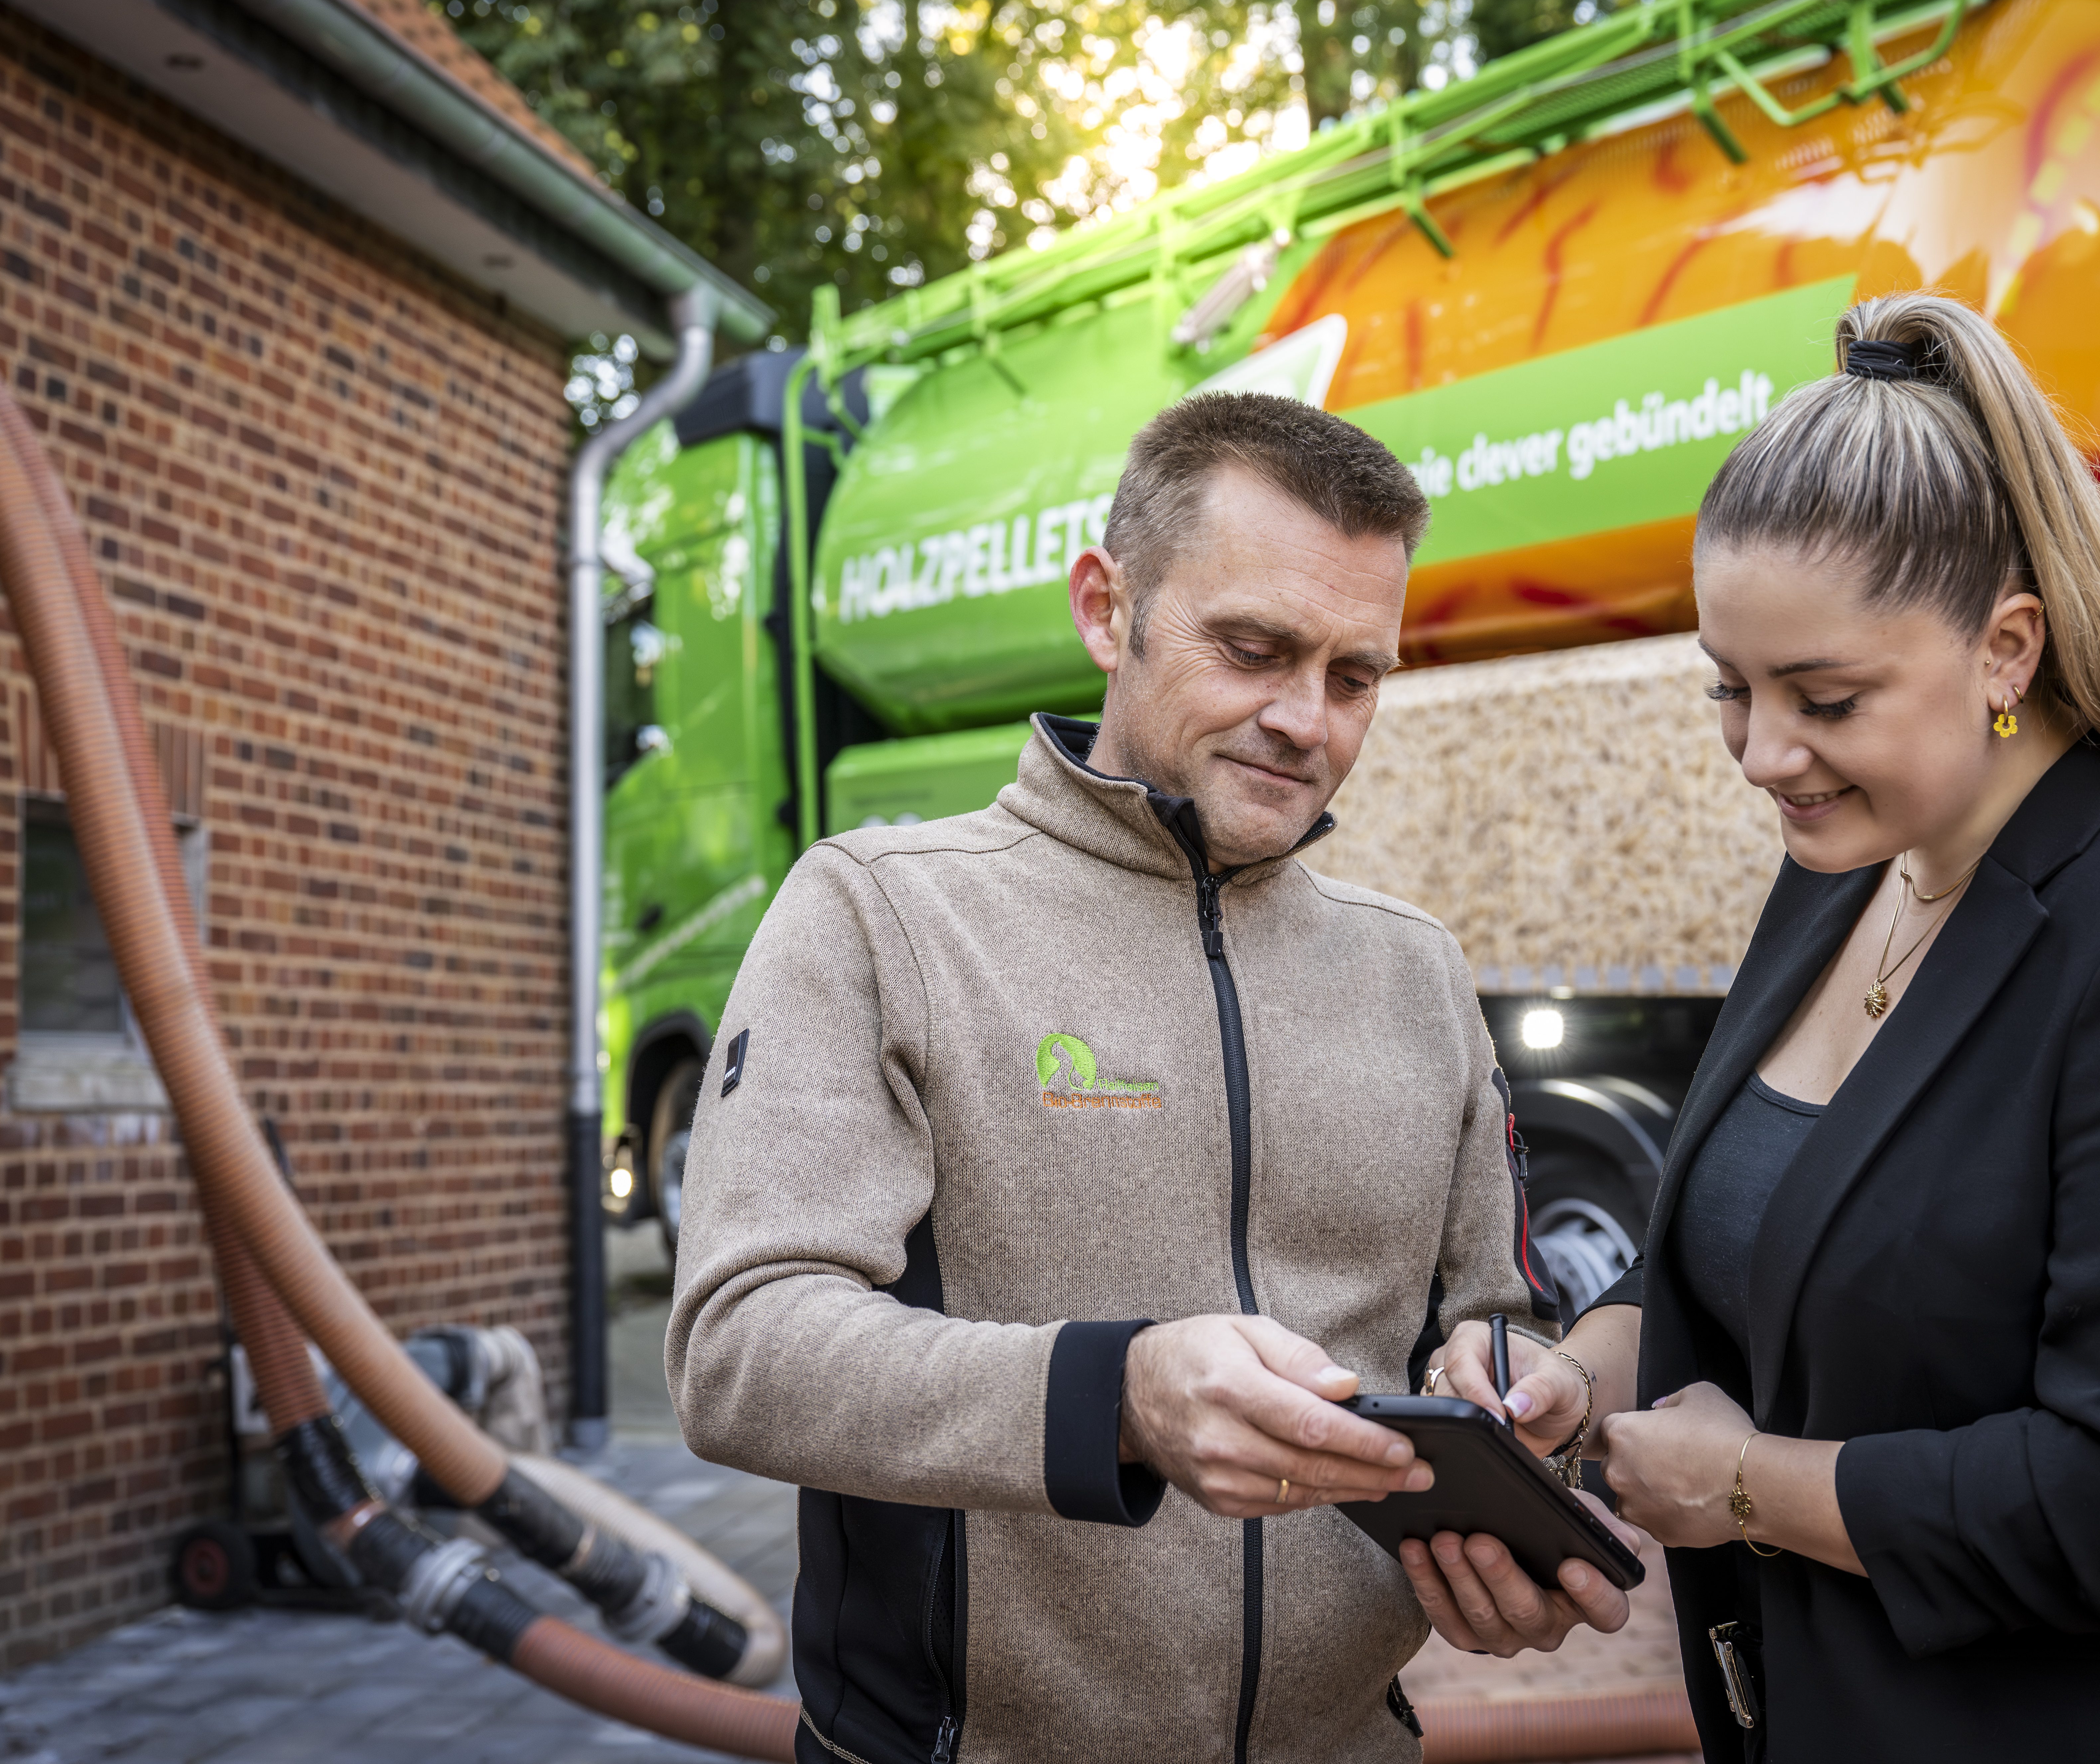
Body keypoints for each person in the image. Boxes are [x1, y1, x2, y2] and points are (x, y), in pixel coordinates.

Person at [1409, 294, 2100, 1761]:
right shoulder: (1842, 871)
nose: (1766, 755)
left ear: (2007, 649)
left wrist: (1745, 1488)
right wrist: (1574, 1373)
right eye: (1732, 690)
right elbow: (1756, 1273)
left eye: (1828, 697)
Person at [665, 390, 1633, 1764]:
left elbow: (1486, 1316)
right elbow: (739, 1349)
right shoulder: (880, 914)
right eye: (1252, 649)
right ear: (1107, 609)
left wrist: (1525, 1404)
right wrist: (1112, 1397)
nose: (1306, 719)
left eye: (1356, 676)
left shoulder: (1417, 970)